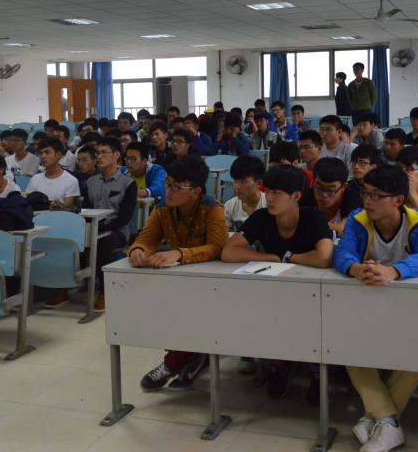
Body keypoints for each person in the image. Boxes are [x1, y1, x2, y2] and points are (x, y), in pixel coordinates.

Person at [334, 165, 418, 452]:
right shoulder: (358, 218)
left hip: (411, 309)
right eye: (366, 193)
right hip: (367, 304)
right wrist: (356, 268)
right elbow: (343, 254)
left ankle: (376, 417)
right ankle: (388, 421)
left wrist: (393, 271)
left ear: (398, 200)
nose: (368, 200)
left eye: (377, 195)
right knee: (348, 347)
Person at [222, 164, 334, 397]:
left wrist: (289, 257)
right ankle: (279, 363)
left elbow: (323, 257)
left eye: (276, 193)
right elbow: (229, 252)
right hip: (275, 291)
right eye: (268, 191)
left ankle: (315, 371)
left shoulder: (313, 218)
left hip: (313, 293)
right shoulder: (262, 217)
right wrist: (270, 258)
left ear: (296, 196)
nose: (270, 198)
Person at [132, 156, 227, 391]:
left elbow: (217, 247)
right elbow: (146, 239)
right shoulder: (162, 209)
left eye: (176, 187)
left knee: (192, 314)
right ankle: (190, 357)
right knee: (169, 315)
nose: (169, 191)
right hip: (179, 279)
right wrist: (138, 250)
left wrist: (179, 253)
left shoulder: (213, 209)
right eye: (168, 185)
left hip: (213, 282)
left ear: (195, 191)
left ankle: (174, 363)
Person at [72, 137, 138, 311]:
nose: (99, 157)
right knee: (70, 239)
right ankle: (64, 287)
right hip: (94, 227)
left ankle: (104, 292)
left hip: (117, 230)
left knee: (103, 242)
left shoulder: (128, 183)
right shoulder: (91, 182)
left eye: (103, 153)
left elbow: (124, 218)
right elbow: (86, 211)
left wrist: (101, 228)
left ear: (116, 155)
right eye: (97, 153)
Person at [302, 157, 359, 236]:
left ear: (343, 187)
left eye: (330, 190)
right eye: (319, 187)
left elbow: (343, 229)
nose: (324, 194)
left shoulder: (352, 199)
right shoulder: (305, 197)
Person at [28, 136, 80, 208]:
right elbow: (29, 205)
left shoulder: (71, 181)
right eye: (40, 153)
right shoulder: (34, 179)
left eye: (47, 152)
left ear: (58, 154)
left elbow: (66, 210)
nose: (43, 156)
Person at [223, 155, 266, 232]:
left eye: (243, 181)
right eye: (235, 181)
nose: (237, 187)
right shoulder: (229, 206)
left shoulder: (268, 205)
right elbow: (226, 235)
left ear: (258, 183)